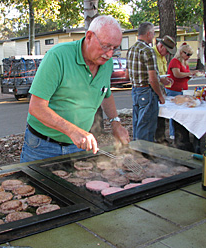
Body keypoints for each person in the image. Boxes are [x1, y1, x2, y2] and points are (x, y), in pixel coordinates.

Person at [20, 15, 130, 163]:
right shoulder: (58, 56)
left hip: (78, 146)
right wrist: (73, 131)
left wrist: (116, 123)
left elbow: (105, 93)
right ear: (89, 36)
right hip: (42, 146)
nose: (109, 54)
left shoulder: (106, 63)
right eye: (105, 46)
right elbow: (36, 108)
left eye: (114, 48)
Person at [126, 22, 171, 142]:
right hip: (147, 91)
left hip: (136, 90)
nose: (153, 36)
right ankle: (145, 153)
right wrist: (160, 95)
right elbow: (152, 79)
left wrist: (158, 78)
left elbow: (127, 74)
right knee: (147, 125)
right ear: (149, 34)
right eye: (153, 33)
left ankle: (137, 149)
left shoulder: (131, 49)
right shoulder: (148, 50)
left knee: (138, 122)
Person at [166, 43, 197, 139]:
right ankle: (173, 132)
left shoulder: (185, 63)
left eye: (190, 55)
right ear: (181, 52)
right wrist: (189, 73)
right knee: (174, 112)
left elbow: (184, 76)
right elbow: (177, 74)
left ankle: (182, 132)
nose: (188, 57)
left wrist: (190, 76)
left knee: (183, 111)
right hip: (174, 89)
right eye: (187, 54)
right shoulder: (175, 61)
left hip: (183, 89)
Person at [153, 35, 176, 144]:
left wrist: (166, 80)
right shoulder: (152, 54)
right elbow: (153, 77)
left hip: (160, 88)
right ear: (161, 46)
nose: (167, 54)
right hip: (153, 89)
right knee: (154, 115)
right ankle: (156, 139)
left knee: (161, 113)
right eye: (167, 51)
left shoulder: (162, 56)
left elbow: (161, 74)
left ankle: (160, 138)